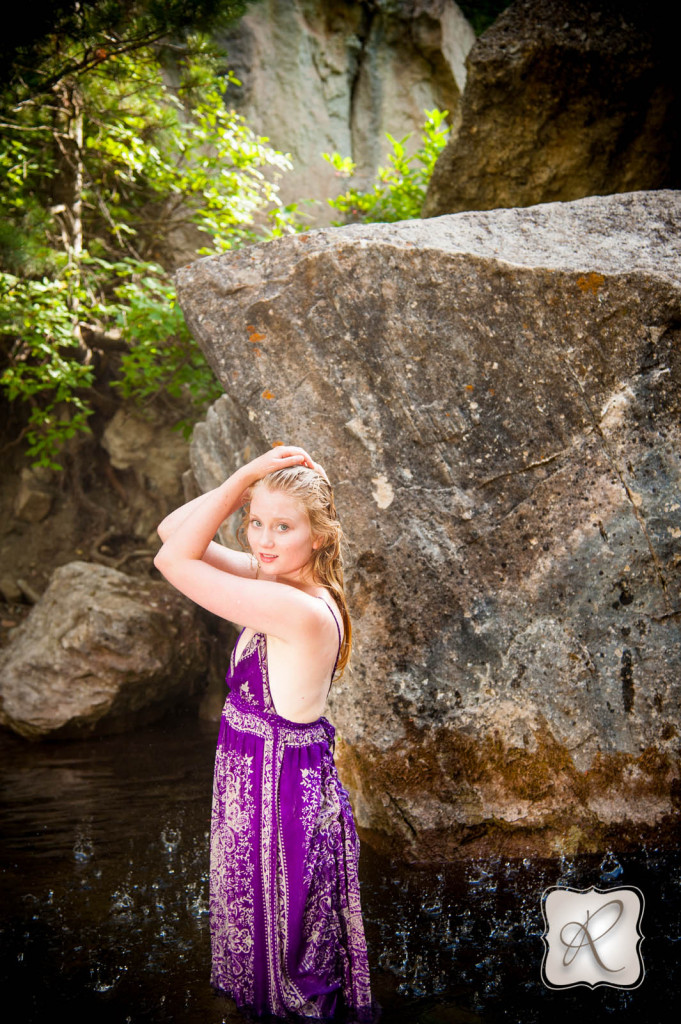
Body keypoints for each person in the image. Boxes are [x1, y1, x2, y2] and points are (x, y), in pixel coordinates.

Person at [154, 444, 374, 1021]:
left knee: (287, 959)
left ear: (319, 536)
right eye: (255, 523)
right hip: (257, 782)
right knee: (263, 944)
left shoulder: (295, 607)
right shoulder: (273, 578)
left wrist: (250, 475)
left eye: (283, 526)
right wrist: (249, 483)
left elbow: (173, 560)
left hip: (280, 795)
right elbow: (172, 529)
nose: (264, 540)